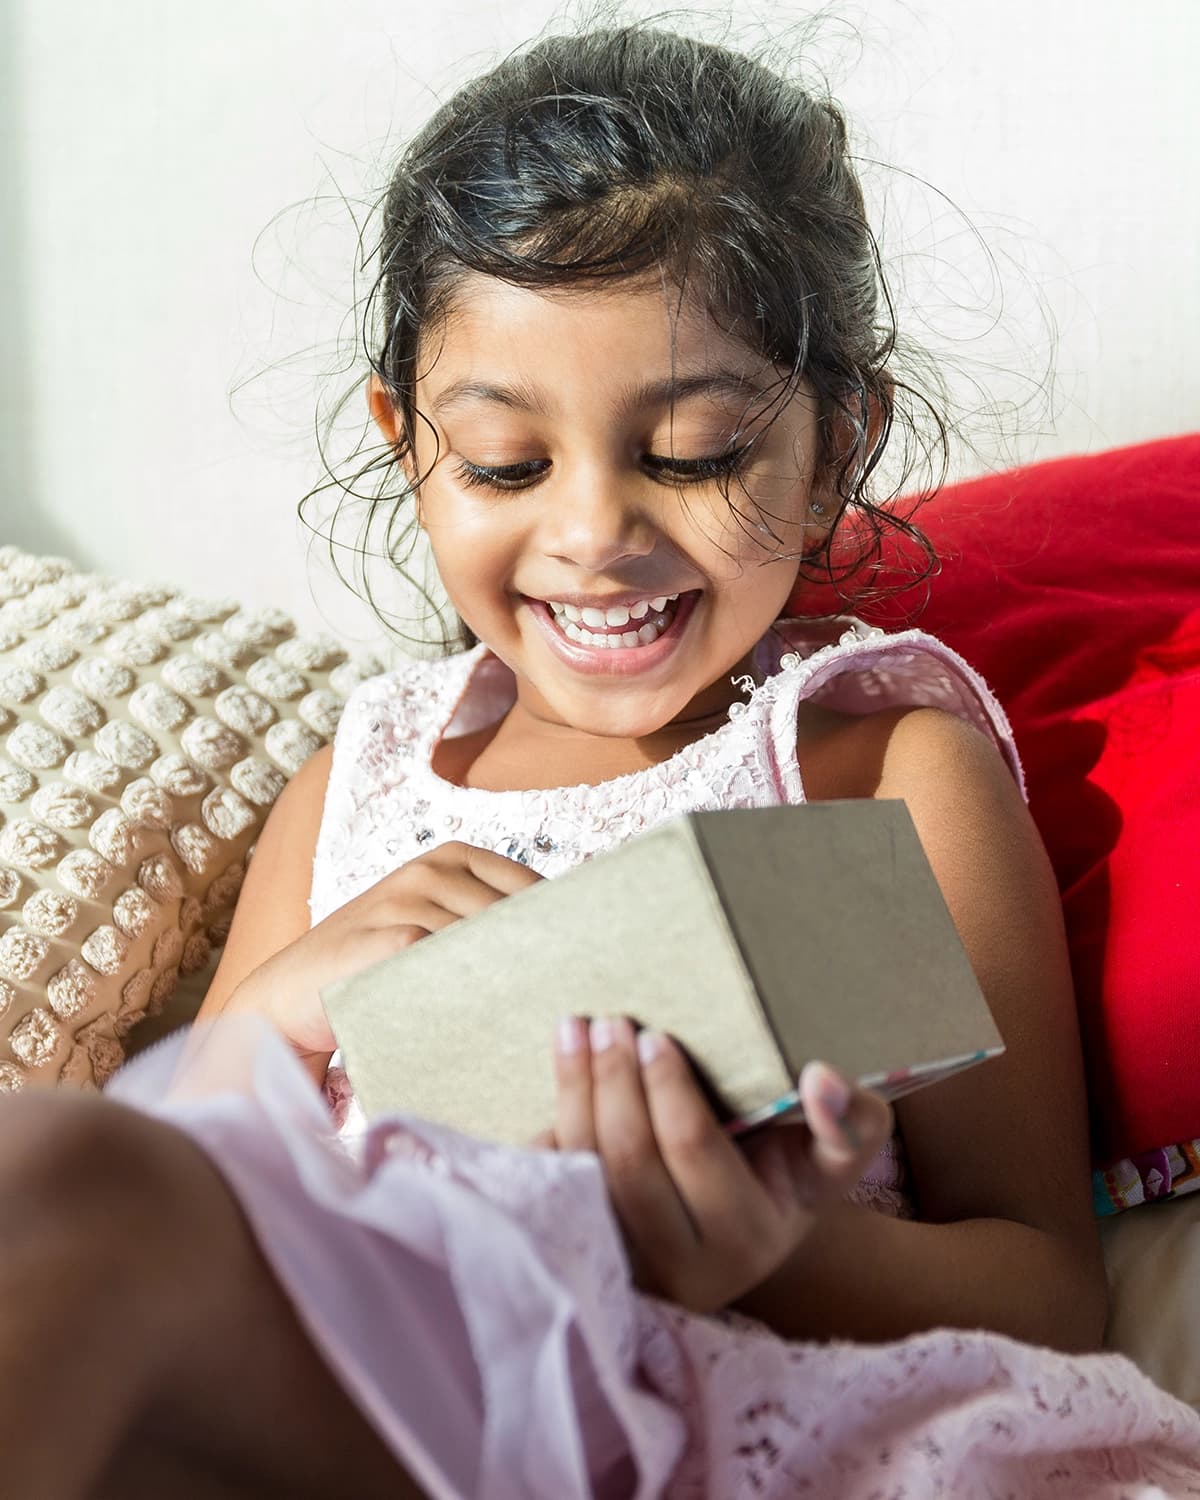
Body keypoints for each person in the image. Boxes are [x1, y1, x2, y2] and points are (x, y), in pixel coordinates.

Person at [4, 22, 1200, 1499]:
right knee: (47, 1176)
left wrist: (767, 1257)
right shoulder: (358, 779)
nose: (592, 536)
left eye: (693, 455)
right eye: (507, 465)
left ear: (835, 450)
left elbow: (1047, 1291)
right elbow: (207, 1187)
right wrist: (269, 1018)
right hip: (369, 1383)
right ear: (405, 442)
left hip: (709, 1400)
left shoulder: (873, 770)